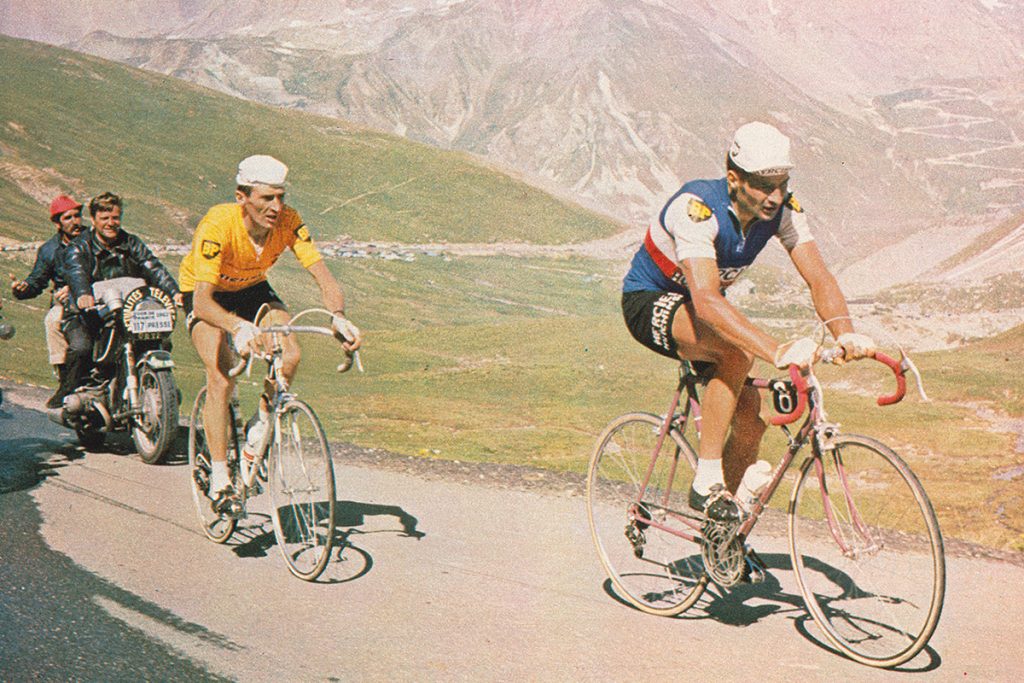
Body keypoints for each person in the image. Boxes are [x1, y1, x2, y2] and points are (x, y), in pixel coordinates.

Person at [621, 121, 876, 522]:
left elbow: (819, 276)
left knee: (751, 426)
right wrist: (776, 349)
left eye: (782, 184)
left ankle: (722, 536)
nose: (775, 196)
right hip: (649, 300)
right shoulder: (697, 209)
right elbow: (705, 298)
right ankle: (706, 481)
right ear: (734, 179)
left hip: (702, 310)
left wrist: (846, 331)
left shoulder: (783, 210)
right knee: (736, 355)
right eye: (762, 185)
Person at [179, 155, 362, 509]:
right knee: (220, 377)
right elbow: (202, 303)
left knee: (290, 355)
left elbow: (323, 276)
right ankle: (219, 478)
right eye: (266, 198)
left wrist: (338, 316)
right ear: (242, 197)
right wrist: (237, 326)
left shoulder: (289, 221)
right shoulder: (218, 224)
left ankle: (259, 430)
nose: (276, 206)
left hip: (252, 289)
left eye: (281, 197)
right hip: (207, 294)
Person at [60, 192, 183, 394]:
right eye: (105, 218)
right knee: (82, 347)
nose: (111, 223)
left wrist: (174, 292)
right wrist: (83, 293)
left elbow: (153, 267)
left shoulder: (131, 243)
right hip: (88, 314)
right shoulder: (80, 246)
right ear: (94, 220)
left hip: (127, 312)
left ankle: (158, 388)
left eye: (115, 218)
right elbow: (76, 271)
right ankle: (69, 393)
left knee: (160, 340)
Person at [9, 195, 85, 407]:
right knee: (53, 320)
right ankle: (66, 381)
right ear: (57, 223)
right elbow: (37, 281)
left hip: (95, 295)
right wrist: (23, 289)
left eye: (77, 216)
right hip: (66, 303)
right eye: (68, 217)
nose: (75, 221)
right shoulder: (49, 250)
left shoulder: (92, 239)